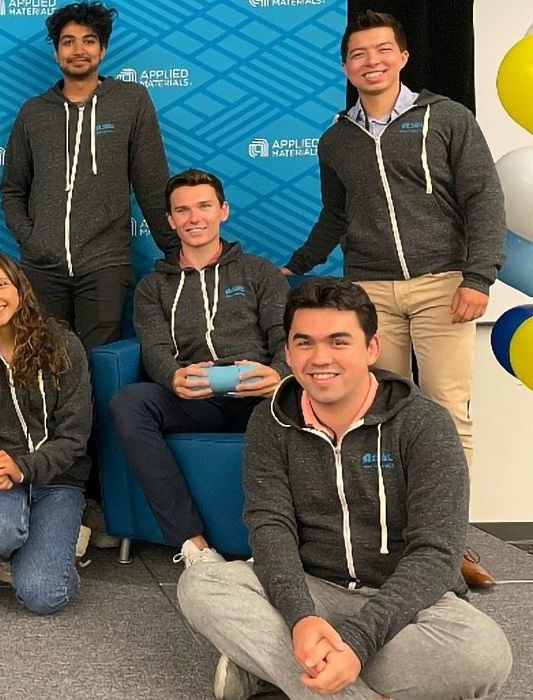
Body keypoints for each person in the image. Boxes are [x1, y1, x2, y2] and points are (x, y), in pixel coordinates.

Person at [177, 278, 511, 700]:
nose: (320, 359)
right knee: (201, 585)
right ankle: (328, 679)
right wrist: (299, 618)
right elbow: (270, 527)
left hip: (405, 603)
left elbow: (437, 552)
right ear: (287, 353)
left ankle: (272, 670)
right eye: (304, 343)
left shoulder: (424, 423)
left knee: (483, 654)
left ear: (371, 348)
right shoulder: (270, 421)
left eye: (338, 342)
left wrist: (357, 642)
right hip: (312, 590)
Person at [281, 11, 505, 587]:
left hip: (443, 286)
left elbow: (482, 196)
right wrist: (297, 265)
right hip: (371, 292)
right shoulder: (336, 138)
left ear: (403, 56)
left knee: (448, 415)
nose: (371, 61)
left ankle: (449, 543)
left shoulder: (447, 118)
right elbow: (336, 215)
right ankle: (395, 542)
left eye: (382, 50)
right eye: (359, 54)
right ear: (345, 66)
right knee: (379, 417)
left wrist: (477, 277)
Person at [109, 169, 288, 567]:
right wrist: (172, 376)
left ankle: (277, 543)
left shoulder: (259, 273)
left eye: (204, 206)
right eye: (183, 210)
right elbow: (154, 346)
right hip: (195, 398)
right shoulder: (153, 287)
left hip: (259, 395)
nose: (194, 218)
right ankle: (193, 544)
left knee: (299, 403)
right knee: (129, 403)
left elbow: (285, 337)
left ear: (223, 210)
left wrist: (278, 375)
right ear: (170, 220)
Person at [0, 1, 172, 351]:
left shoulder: (131, 101)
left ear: (103, 48)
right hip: (42, 268)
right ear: (56, 51)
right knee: (46, 363)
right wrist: (31, 241)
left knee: (98, 366)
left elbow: (153, 184)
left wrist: (174, 250)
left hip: (105, 264)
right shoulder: (33, 112)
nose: (78, 50)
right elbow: (13, 189)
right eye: (68, 41)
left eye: (89, 40)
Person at [0, 250, 92, 614]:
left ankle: (53, 547)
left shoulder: (63, 345)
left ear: (20, 287)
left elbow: (74, 435)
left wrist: (25, 468)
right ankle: (22, 543)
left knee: (42, 595)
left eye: (0, 284)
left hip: (58, 481)